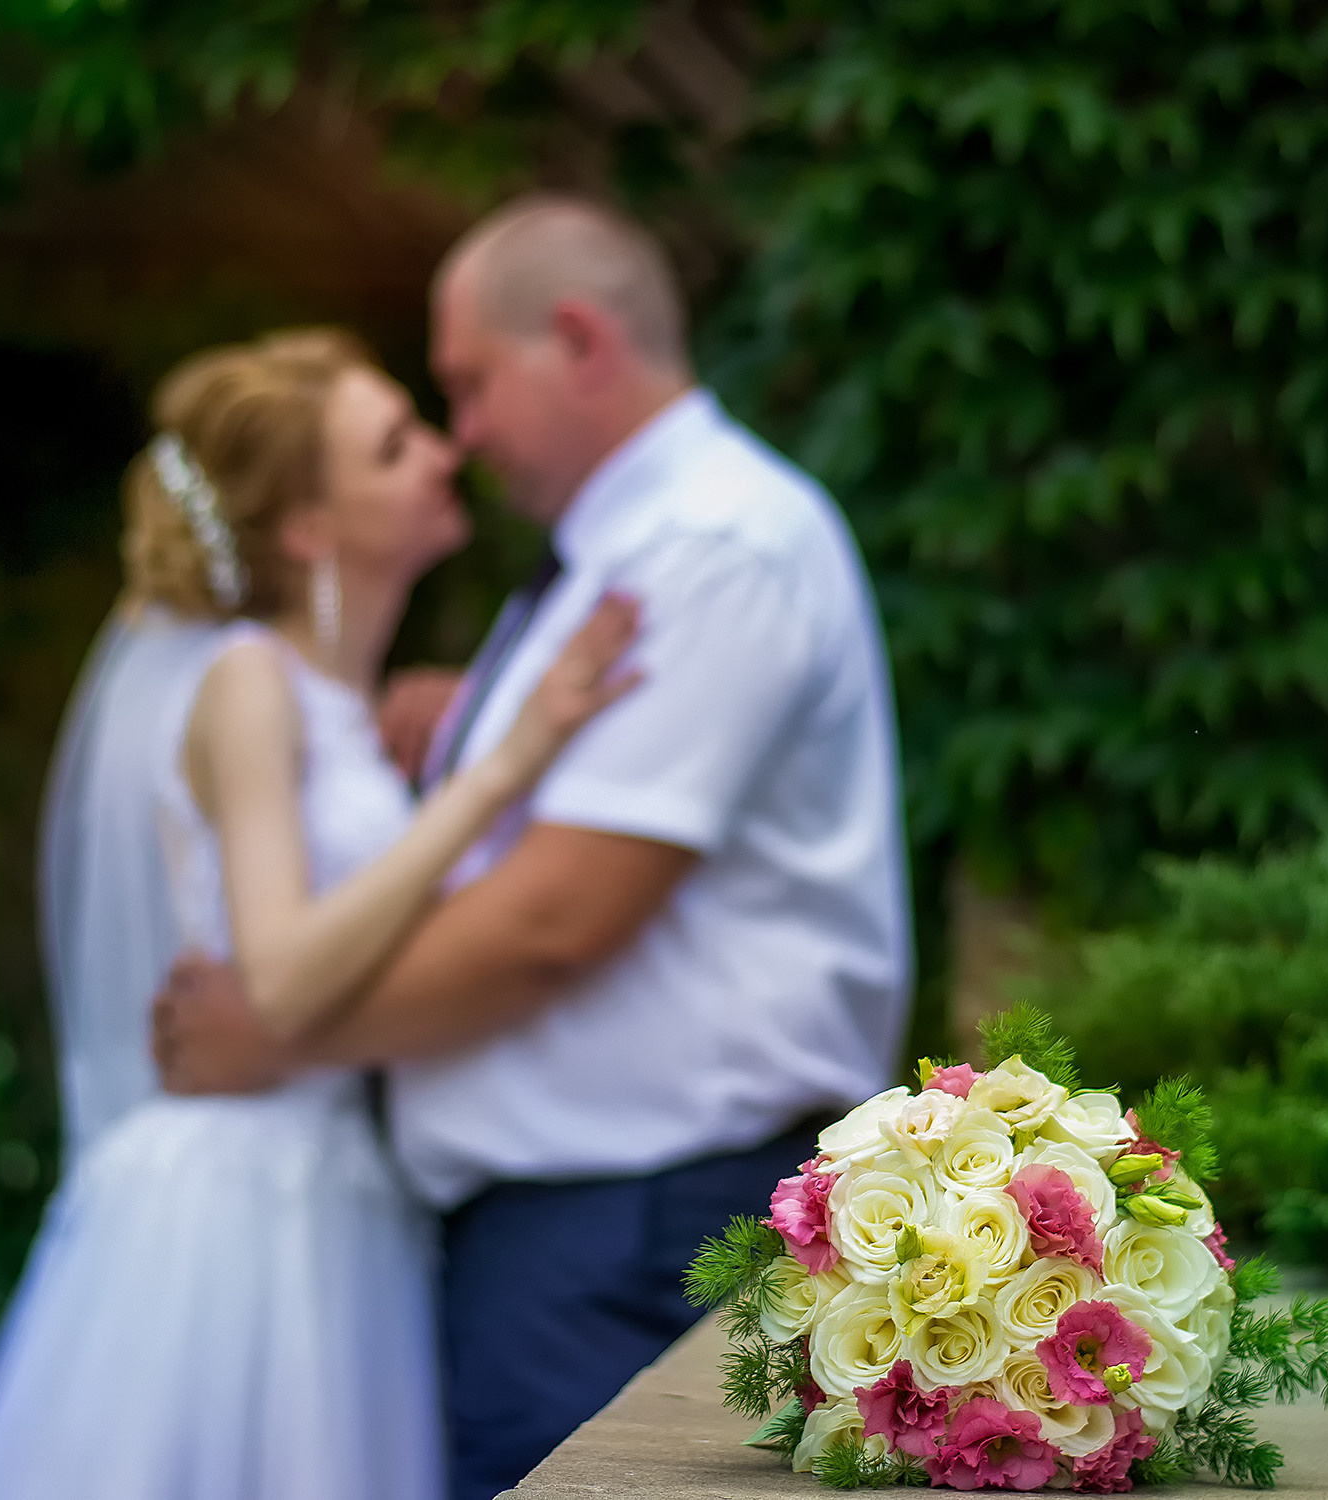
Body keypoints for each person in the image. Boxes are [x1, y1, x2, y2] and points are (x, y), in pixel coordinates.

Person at [153, 197, 914, 1500]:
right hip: (581, 1223)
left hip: (625, 1224)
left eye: (468, 385)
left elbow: (558, 913)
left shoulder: (709, 547)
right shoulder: (621, 555)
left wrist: (281, 1036)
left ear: (576, 339)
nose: (463, 435)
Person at [0, 327, 639, 1500]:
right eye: (393, 445)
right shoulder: (247, 680)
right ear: (311, 528)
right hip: (243, 1208)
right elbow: (279, 977)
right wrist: (500, 768)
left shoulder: (340, 703)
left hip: (343, 1190)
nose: (439, 453)